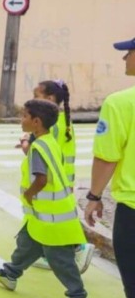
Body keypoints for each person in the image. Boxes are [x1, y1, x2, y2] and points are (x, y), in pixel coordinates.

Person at [0, 99, 91, 298]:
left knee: (59, 260)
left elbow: (41, 179)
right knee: (28, 241)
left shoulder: (38, 149)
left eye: (24, 116)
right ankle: (10, 274)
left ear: (36, 121)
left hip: (53, 218)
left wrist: (28, 194)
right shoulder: (49, 141)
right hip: (47, 215)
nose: (20, 119)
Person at [85, 36, 135, 298]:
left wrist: (93, 195)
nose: (124, 60)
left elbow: (107, 156)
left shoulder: (121, 102)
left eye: (129, 53)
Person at [27, 80, 93, 273]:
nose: (32, 99)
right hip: (63, 177)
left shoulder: (51, 124)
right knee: (51, 218)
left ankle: (79, 246)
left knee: (55, 219)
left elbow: (44, 151)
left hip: (51, 179)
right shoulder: (63, 120)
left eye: (36, 95)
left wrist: (27, 147)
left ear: (49, 99)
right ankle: (46, 252)